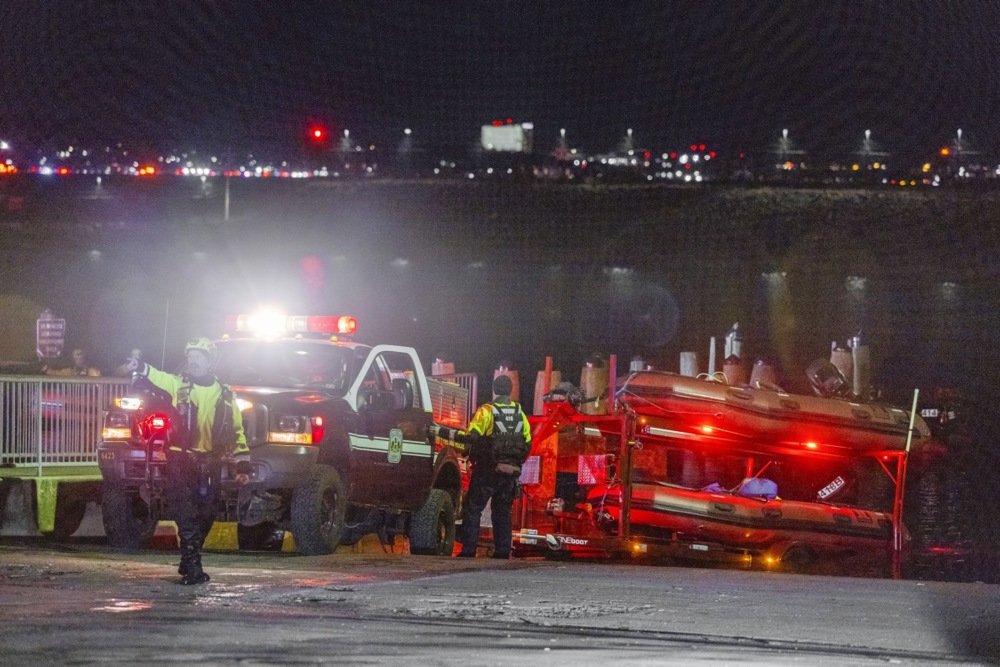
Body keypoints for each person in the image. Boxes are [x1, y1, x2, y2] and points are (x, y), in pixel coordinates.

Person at [127, 337, 249, 585]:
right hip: (180, 460)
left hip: (210, 463)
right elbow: (158, 376)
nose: (192, 362)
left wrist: (242, 464)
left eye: (198, 357)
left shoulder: (225, 395)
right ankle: (193, 569)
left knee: (207, 514)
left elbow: (237, 431)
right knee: (186, 513)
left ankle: (188, 558)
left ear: (210, 361)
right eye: (190, 357)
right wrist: (141, 367)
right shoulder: (178, 385)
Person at [455, 374, 532, 559]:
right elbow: (527, 443)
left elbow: (472, 435)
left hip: (487, 470)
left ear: (494, 389)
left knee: (474, 508)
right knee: (503, 512)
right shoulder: (519, 413)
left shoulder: (487, 411)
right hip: (510, 473)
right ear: (511, 390)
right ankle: (502, 552)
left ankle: (468, 551)